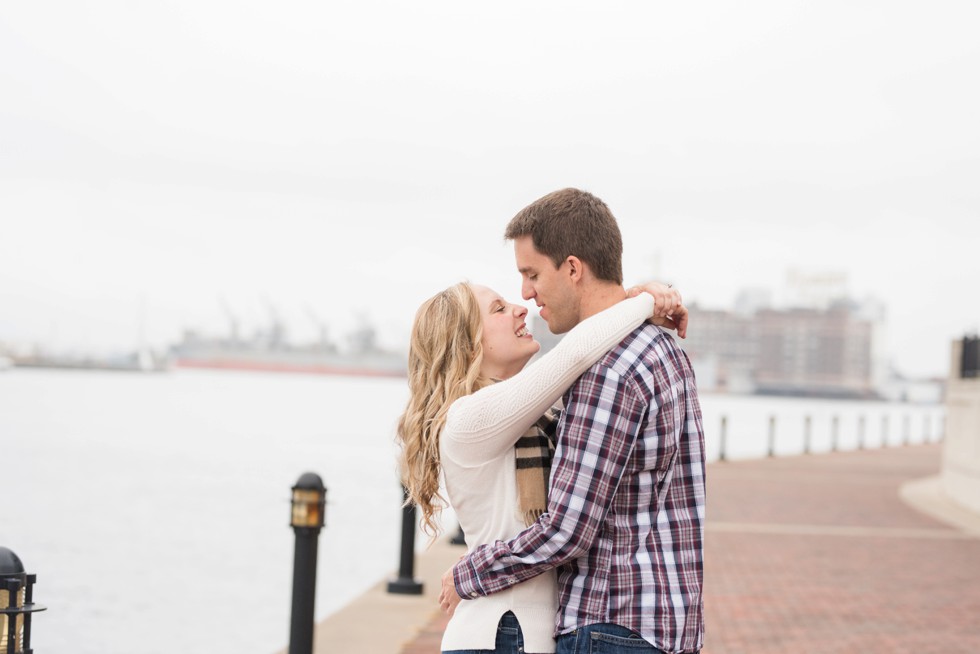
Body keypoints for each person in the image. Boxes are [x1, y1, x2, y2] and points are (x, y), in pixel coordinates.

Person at [440, 188, 706, 654]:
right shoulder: (665, 352)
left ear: (573, 268)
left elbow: (566, 531)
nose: (525, 295)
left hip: (609, 622)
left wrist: (467, 572)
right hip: (663, 622)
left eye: (532, 274)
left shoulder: (604, 370)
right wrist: (641, 299)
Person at [397, 279, 686, 654]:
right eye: (499, 309)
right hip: (502, 633)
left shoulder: (529, 417)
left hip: (520, 632)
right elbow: (576, 354)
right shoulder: (469, 418)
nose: (521, 308)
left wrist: (635, 299)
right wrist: (645, 301)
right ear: (469, 344)